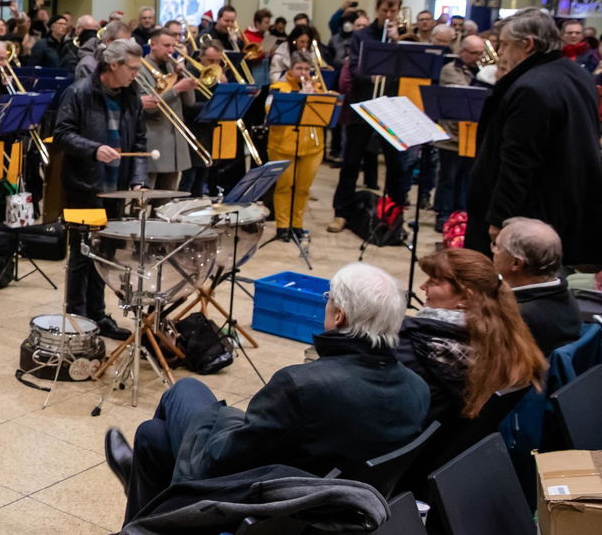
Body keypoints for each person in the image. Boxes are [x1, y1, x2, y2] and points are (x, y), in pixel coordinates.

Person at [105, 262, 429, 523]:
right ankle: (142, 510)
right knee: (152, 437)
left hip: (260, 503)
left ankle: (149, 502)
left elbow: (219, 461)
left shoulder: (302, 385)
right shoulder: (418, 389)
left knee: (185, 390)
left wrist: (220, 420)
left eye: (328, 297)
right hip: (327, 505)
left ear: (340, 316)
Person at [465, 8, 602, 265]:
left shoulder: (531, 88)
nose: (501, 54)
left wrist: (498, 221)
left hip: (529, 216)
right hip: (568, 209)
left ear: (527, 44)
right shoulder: (576, 74)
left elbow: (517, 163)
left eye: (504, 45)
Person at [53, 38, 149, 340]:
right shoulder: (79, 92)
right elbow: (62, 134)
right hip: (85, 186)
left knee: (105, 256)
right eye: (132, 68)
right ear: (114, 65)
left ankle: (97, 314)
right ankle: (77, 318)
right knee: (82, 255)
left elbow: (139, 143)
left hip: (116, 189)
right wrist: (94, 149)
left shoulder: (132, 96)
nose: (136, 74)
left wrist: (138, 180)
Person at [399, 248, 547, 427]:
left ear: (465, 298)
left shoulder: (421, 345)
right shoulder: (502, 334)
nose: (423, 286)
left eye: (434, 281)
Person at [328, 0, 412, 234]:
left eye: (393, 10)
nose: (389, 15)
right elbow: (353, 67)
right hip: (363, 105)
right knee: (351, 161)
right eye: (385, 10)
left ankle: (393, 216)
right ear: (377, 9)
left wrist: (397, 43)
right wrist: (369, 75)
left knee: (396, 165)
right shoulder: (361, 36)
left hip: (392, 108)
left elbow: (409, 70)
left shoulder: (403, 37)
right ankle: (341, 212)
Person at [493, 217, 584, 355]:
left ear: (516, 263)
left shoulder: (514, 317)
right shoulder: (565, 293)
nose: (493, 251)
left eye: (497, 246)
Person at [266, 57, 326, 240]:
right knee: (284, 186)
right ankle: (282, 226)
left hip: (312, 147)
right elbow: (269, 109)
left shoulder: (318, 88)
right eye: (299, 68)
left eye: (307, 69)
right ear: (290, 70)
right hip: (282, 145)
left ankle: (297, 225)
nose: (303, 72)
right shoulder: (278, 87)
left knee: (303, 188)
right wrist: (300, 96)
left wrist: (313, 95)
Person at [433, 35, 487, 227]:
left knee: (467, 176)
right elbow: (465, 94)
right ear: (462, 52)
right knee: (449, 177)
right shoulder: (450, 70)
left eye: (482, 53)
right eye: (474, 53)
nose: (479, 57)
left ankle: (461, 214)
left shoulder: (485, 70)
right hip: (452, 134)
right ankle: (443, 214)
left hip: (474, 135)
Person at [136, 30, 199, 190]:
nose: (171, 50)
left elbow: (190, 103)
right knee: (145, 197)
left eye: (173, 46)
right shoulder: (141, 69)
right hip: (155, 140)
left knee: (167, 201)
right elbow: (150, 107)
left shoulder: (172, 66)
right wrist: (176, 89)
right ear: (153, 45)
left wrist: (184, 77)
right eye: (166, 45)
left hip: (175, 142)